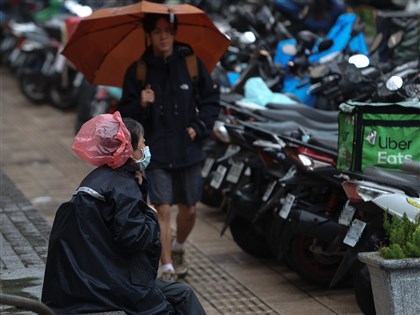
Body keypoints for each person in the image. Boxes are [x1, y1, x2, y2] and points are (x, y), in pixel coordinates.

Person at [41, 111, 206, 315]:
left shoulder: (100, 179)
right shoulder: (123, 188)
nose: (145, 149)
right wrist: (151, 214)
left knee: (181, 292)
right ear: (127, 150)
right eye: (142, 144)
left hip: (85, 278)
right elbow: (135, 239)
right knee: (182, 297)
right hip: (110, 283)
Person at [118, 13, 220, 281]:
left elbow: (211, 101)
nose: (163, 36)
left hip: (188, 149)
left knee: (190, 209)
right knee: (162, 208)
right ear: (149, 36)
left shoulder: (191, 64)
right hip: (157, 151)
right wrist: (140, 102)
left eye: (168, 31)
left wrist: (198, 127)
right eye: (157, 32)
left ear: (174, 33)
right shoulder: (138, 71)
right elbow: (124, 117)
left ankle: (178, 248)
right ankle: (166, 268)